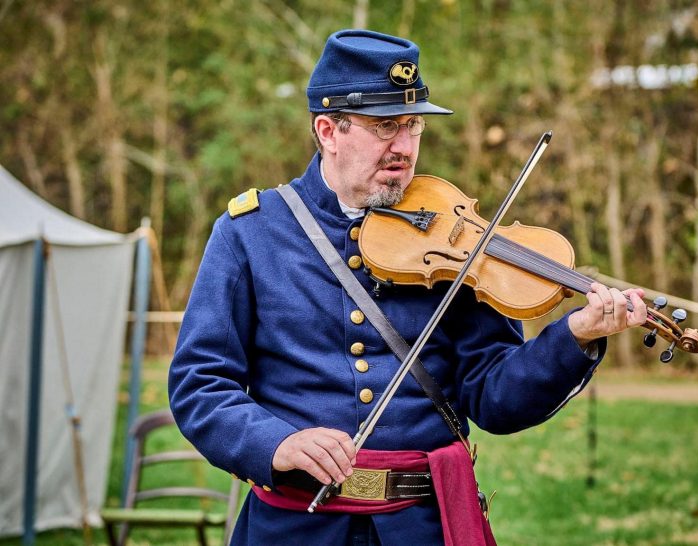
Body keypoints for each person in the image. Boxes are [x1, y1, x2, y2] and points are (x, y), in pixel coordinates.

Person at [168, 29, 647, 546]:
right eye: (385, 126)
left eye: (413, 125)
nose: (404, 146)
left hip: (421, 527)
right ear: (328, 130)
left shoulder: (452, 236)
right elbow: (200, 382)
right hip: (295, 527)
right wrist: (275, 443)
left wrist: (572, 337)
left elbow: (494, 397)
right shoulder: (250, 232)